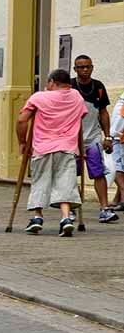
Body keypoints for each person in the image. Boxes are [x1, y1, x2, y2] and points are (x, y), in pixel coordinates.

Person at [17, 70, 87, 236]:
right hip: (67, 147)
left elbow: (22, 120)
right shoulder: (77, 96)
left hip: (43, 147)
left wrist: (22, 142)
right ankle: (65, 218)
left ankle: (37, 217)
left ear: (52, 82)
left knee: (41, 181)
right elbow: (81, 118)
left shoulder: (39, 97)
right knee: (65, 183)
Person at [71, 55, 118, 223]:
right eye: (81, 67)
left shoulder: (98, 87)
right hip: (72, 140)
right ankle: (70, 208)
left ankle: (104, 208)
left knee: (98, 173)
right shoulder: (69, 87)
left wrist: (108, 136)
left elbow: (103, 112)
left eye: (88, 66)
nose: (85, 70)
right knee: (70, 174)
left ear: (92, 67)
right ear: (75, 69)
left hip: (92, 139)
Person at [108, 91, 124, 211]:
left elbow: (120, 118)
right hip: (118, 135)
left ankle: (123, 198)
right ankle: (117, 198)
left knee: (116, 166)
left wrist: (112, 135)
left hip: (118, 136)